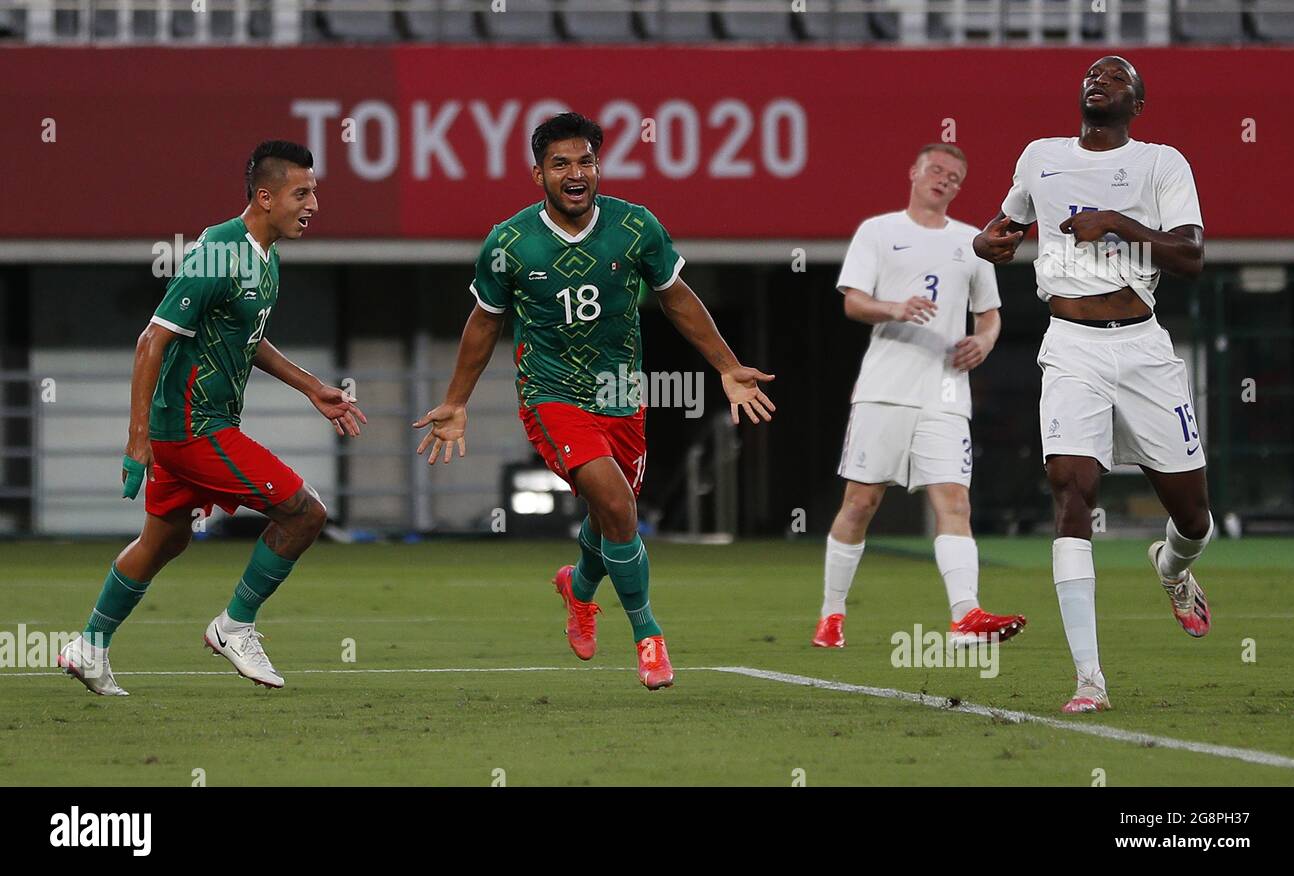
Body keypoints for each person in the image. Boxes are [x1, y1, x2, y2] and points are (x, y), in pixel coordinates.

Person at [413, 113, 775, 690]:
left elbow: (677, 299)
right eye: (561, 164)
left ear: (598, 167)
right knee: (615, 503)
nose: (575, 173)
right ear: (538, 174)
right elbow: (483, 324)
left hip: (623, 395)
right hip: (549, 394)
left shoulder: (636, 228)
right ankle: (648, 635)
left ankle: (579, 589)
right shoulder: (509, 241)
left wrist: (728, 367)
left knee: (614, 514)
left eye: (585, 161)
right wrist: (457, 400)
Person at [59, 140, 365, 696]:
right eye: (303, 192)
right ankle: (235, 626)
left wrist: (311, 387)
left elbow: (249, 339)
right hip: (193, 426)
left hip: (197, 425)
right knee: (305, 513)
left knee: (164, 540)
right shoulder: (221, 249)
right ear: (266, 195)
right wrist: (136, 442)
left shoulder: (265, 255)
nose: (314, 203)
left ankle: (90, 645)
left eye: (315, 191)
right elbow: (152, 339)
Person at [973, 56, 1211, 713]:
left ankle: (1173, 568)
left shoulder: (1162, 163)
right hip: (1070, 345)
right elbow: (1004, 229)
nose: (1097, 80)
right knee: (1071, 491)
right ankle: (1089, 680)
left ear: (1136, 104)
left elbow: (1192, 256)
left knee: (1193, 516)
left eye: (1115, 77)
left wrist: (1116, 221)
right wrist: (984, 244)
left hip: (1142, 347)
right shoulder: (1039, 156)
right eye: (1092, 75)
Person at [813, 144, 1026, 651]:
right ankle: (832, 613)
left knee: (954, 500)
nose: (943, 180)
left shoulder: (969, 242)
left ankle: (965, 617)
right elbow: (853, 303)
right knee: (861, 503)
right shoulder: (880, 231)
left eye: (954, 177)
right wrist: (895, 307)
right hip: (885, 389)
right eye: (936, 170)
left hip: (946, 392)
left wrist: (985, 340)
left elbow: (990, 313)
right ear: (914, 172)